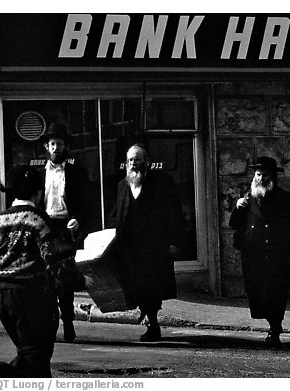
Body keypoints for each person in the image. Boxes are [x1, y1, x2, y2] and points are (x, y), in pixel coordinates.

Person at [0, 165, 65, 377]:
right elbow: (51, 257)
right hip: (29, 291)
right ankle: (9, 372)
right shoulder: (37, 218)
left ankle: (13, 371)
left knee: (29, 349)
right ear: (38, 192)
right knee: (38, 352)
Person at [229, 156, 290, 348]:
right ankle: (271, 323)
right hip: (253, 254)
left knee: (276, 292)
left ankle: (275, 328)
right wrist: (237, 208)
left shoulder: (286, 200)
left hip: (276, 254)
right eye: (257, 175)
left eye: (264, 175)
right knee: (258, 293)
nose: (260, 179)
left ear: (273, 177)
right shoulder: (248, 197)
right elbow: (235, 225)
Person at [108, 144, 185, 342]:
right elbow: (116, 214)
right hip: (130, 248)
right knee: (137, 286)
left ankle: (152, 322)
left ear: (147, 162)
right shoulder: (122, 185)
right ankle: (148, 317)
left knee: (152, 286)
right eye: (130, 160)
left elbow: (174, 213)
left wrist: (174, 241)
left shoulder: (161, 182)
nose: (133, 163)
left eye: (137, 159)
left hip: (154, 246)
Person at [39, 123, 89, 342]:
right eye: (52, 144)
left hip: (66, 229)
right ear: (46, 147)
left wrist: (78, 219)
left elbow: (88, 204)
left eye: (59, 144)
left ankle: (68, 323)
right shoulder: (38, 174)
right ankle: (49, 325)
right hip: (45, 228)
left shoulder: (78, 173)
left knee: (65, 280)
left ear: (65, 146)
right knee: (45, 279)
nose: (56, 148)